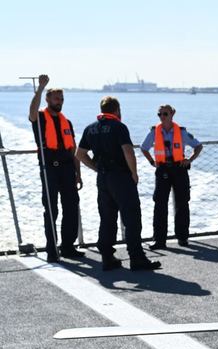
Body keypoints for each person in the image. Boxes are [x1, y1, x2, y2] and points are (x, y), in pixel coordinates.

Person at [75, 97, 161, 271]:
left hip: (103, 179)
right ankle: (136, 258)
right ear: (117, 110)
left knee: (107, 218)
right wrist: (134, 173)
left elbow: (80, 154)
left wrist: (97, 169)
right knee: (131, 217)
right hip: (120, 177)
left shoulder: (91, 128)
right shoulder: (118, 127)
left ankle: (107, 257)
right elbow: (128, 151)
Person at [27, 74, 83, 262]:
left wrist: (78, 174)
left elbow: (73, 149)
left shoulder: (67, 122)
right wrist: (41, 87)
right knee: (51, 209)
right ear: (48, 100)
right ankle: (52, 249)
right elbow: (32, 111)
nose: (60, 102)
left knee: (71, 207)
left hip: (68, 167)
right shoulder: (40, 117)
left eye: (62, 99)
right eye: (56, 99)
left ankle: (67, 246)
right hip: (49, 167)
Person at [140, 105, 202, 248]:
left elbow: (198, 146)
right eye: (159, 114)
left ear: (172, 114)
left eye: (165, 113)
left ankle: (183, 237)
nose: (162, 116)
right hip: (162, 170)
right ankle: (159, 240)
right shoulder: (154, 132)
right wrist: (152, 162)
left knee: (182, 203)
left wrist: (189, 160)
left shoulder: (182, 132)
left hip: (179, 169)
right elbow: (144, 148)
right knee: (160, 204)